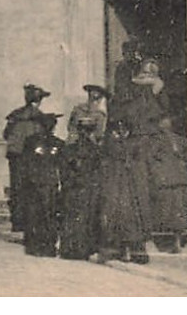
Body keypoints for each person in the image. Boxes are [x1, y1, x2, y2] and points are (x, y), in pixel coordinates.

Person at [98, 117, 151, 264]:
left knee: (130, 217)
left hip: (130, 188)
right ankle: (118, 249)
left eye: (123, 130)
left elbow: (138, 167)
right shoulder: (112, 147)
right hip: (118, 187)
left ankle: (132, 250)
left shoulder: (133, 147)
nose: (120, 133)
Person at [59, 107, 106, 261]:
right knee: (86, 218)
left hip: (74, 188)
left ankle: (70, 249)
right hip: (88, 189)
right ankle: (83, 249)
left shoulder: (70, 149)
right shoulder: (96, 150)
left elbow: (64, 170)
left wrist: (68, 183)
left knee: (73, 218)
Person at [2, 84, 50, 232]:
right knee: (31, 189)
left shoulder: (15, 115)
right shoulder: (39, 117)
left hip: (15, 156)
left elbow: (5, 134)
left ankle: (17, 223)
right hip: (31, 157)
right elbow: (43, 137)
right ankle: (29, 222)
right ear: (39, 100)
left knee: (16, 187)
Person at [18, 112, 65, 257]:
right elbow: (26, 164)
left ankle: (40, 246)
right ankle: (41, 246)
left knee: (42, 215)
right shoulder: (36, 142)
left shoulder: (55, 143)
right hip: (42, 184)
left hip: (44, 184)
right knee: (43, 214)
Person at [144, 116, 187, 253]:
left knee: (175, 213)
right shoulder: (155, 142)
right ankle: (172, 243)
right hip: (167, 182)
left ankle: (176, 242)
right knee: (169, 214)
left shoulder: (180, 141)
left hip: (174, 182)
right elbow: (151, 162)